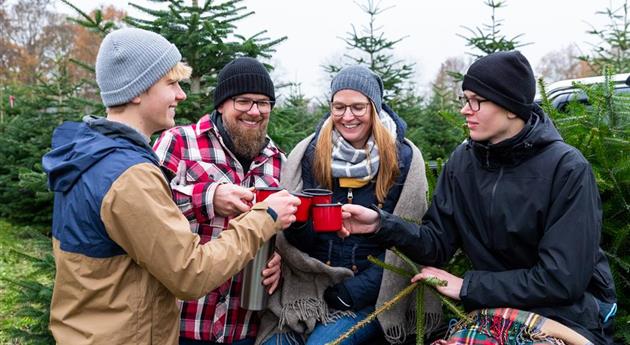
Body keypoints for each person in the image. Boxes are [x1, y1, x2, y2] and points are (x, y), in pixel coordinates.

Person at [41, 28, 300, 345]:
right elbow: (190, 273)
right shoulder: (128, 174)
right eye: (171, 83)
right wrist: (263, 216)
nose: (182, 95)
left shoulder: (94, 156)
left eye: (263, 103)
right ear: (138, 91)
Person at [340, 51, 617, 344]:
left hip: (567, 318)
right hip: (492, 314)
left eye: (477, 101)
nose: (465, 110)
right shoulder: (463, 162)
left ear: (510, 107)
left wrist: (466, 287)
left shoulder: (567, 169)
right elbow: (437, 244)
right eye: (465, 99)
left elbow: (562, 280)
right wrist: (381, 225)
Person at [257, 65, 441, 345]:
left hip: (369, 295)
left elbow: (410, 245)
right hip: (308, 286)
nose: (347, 116)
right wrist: (300, 222)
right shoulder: (311, 154)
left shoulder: (403, 159)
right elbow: (297, 243)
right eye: (339, 107)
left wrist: (354, 292)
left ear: (374, 109)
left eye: (358, 107)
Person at [153, 57, 286, 345]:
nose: (255, 111)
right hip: (181, 324)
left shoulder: (279, 163)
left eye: (264, 103)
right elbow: (147, 208)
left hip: (242, 331)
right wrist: (209, 197)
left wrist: (281, 260)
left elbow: (285, 228)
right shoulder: (178, 142)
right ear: (222, 103)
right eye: (243, 101)